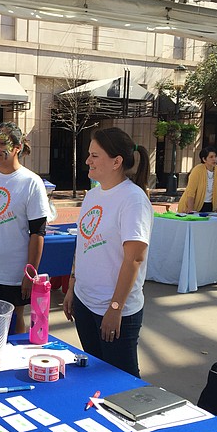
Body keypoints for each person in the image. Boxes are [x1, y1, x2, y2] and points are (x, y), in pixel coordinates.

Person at [62, 127, 153, 377]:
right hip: (85, 302)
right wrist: (72, 286)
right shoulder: (92, 196)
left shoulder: (133, 200)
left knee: (122, 384)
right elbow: (82, 245)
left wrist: (115, 309)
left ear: (117, 162)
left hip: (114, 310)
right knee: (94, 375)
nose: (87, 161)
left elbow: (134, 258)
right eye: (89, 154)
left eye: (95, 155)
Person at [0, 122, 51, 334]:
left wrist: (30, 273)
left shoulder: (31, 182)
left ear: (17, 147)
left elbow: (37, 233)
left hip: (12, 273)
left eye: (1, 143)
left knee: (13, 323)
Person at [177, 146, 217, 213]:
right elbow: (191, 192)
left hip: (211, 206)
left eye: (215, 156)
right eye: (211, 157)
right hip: (193, 205)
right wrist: (190, 210)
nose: (214, 159)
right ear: (204, 159)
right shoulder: (197, 170)